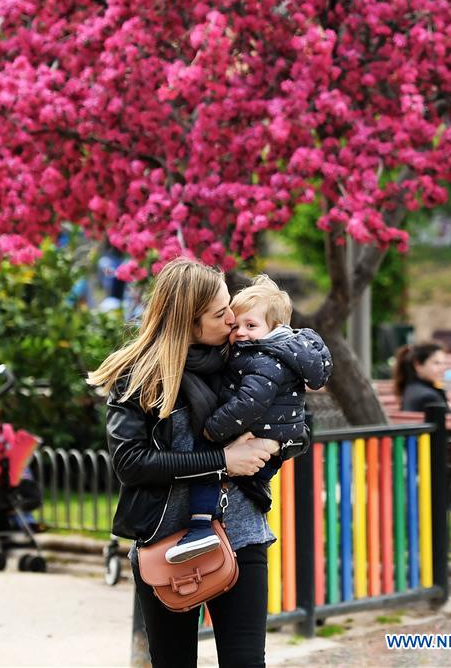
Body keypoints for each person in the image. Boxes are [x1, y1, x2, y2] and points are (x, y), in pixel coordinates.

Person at [87, 258, 307, 668]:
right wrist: (222, 461)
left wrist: (276, 444)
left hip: (241, 536)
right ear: (189, 321)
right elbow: (130, 462)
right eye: (220, 312)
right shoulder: (138, 377)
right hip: (166, 546)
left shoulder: (243, 359)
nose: (232, 318)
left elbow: (296, 425)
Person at [164, 275, 332, 564]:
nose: (237, 329)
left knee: (210, 461)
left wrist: (215, 431)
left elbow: (251, 404)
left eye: (249, 325)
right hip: (168, 530)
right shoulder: (248, 355)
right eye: (230, 319)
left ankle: (201, 525)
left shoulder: (263, 358)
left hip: (246, 526)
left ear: (275, 328)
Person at [393, 341, 451, 412]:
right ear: (418, 365)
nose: (443, 368)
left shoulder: (410, 387)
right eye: (436, 363)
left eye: (444, 363)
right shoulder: (429, 397)